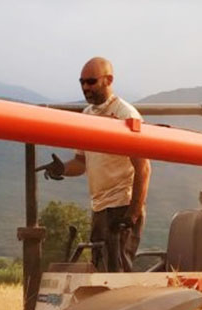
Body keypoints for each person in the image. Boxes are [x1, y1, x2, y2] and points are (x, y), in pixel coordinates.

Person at [42, 57, 151, 272]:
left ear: (108, 80)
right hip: (99, 207)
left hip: (122, 206)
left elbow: (143, 167)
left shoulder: (125, 115)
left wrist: (134, 212)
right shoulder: (87, 115)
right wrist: (62, 168)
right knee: (100, 271)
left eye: (91, 81)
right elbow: (81, 162)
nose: (85, 87)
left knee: (117, 274)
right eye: (81, 82)